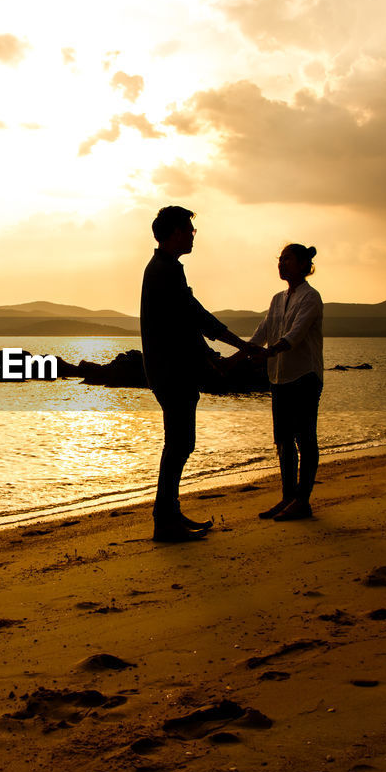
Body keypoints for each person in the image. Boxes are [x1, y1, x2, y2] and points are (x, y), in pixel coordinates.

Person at [140, 206, 267, 542]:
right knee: (179, 444)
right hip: (170, 372)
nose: (193, 234)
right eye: (189, 229)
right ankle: (164, 520)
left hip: (172, 370)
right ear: (174, 233)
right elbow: (196, 317)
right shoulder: (163, 270)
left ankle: (168, 513)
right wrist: (236, 343)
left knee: (180, 443)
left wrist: (213, 357)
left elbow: (186, 322)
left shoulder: (167, 269)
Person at [247, 243, 324, 521]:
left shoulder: (311, 297)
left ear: (304, 264)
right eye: (280, 259)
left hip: (305, 376)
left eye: (288, 259)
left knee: (305, 439)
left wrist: (268, 352)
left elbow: (294, 335)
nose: (281, 264)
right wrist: (236, 358)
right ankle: (288, 497)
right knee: (282, 441)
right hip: (279, 377)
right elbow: (262, 332)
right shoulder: (277, 298)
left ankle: (302, 501)